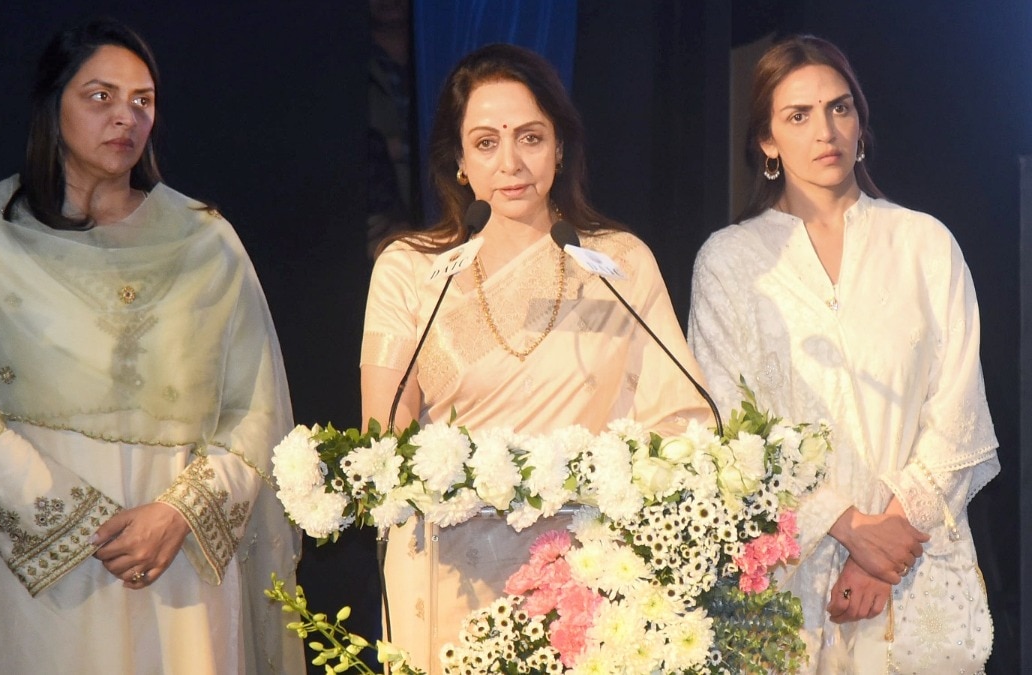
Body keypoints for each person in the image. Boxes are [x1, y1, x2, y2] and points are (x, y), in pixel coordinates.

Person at [0, 19, 302, 675]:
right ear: (53, 105)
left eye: (143, 100)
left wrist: (179, 512)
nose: (125, 117)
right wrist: (78, 527)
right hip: (32, 565)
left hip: (176, 554)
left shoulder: (206, 243)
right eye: (100, 96)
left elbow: (256, 409)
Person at [360, 43, 713, 671]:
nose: (511, 162)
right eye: (487, 142)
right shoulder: (413, 270)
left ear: (559, 147)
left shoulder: (616, 264)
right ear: (461, 161)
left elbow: (682, 418)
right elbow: (382, 436)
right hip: (450, 579)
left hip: (586, 583)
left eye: (530, 136)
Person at [688, 35, 1000, 672]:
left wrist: (885, 545)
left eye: (840, 108)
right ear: (767, 141)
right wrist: (843, 523)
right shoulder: (731, 261)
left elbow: (958, 409)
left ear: (860, 121)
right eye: (797, 116)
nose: (825, 130)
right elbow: (722, 426)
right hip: (788, 569)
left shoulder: (924, 243)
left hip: (916, 563)